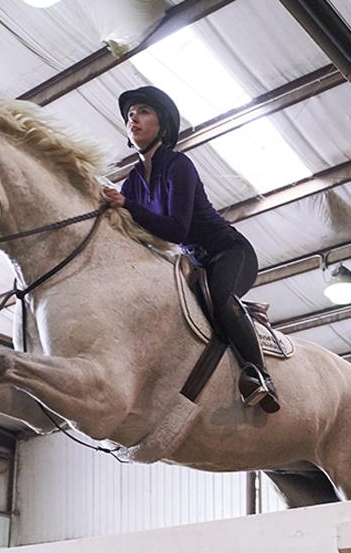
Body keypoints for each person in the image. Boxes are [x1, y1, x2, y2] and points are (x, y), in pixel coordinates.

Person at [102, 86, 280, 414]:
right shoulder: (132, 182)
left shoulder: (178, 166)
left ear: (163, 127)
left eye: (142, 112)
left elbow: (176, 230)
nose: (132, 119)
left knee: (223, 304)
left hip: (230, 252)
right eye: (130, 114)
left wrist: (127, 205)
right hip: (196, 265)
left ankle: (261, 376)